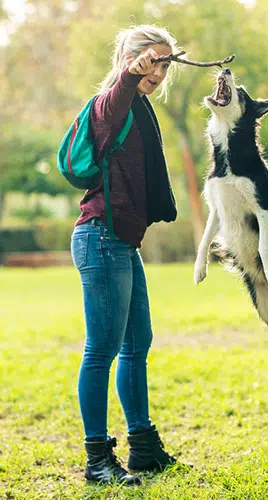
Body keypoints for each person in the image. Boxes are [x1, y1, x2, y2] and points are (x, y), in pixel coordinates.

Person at [70, 24, 183, 486]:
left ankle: (144, 448)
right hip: (100, 238)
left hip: (121, 242)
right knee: (101, 350)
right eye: (152, 61)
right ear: (133, 60)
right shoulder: (110, 105)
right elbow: (115, 98)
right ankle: (98, 460)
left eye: (165, 64)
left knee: (137, 345)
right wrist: (129, 74)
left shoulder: (137, 108)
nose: (159, 71)